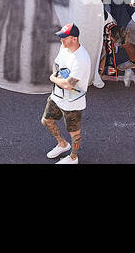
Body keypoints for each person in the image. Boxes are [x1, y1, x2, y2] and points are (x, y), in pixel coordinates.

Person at [42, 23, 90, 164]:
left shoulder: (81, 59)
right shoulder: (64, 47)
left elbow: (69, 85)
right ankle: (62, 144)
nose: (61, 40)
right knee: (46, 121)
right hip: (57, 96)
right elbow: (56, 64)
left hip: (72, 102)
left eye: (64, 37)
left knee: (74, 133)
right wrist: (57, 75)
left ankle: (73, 158)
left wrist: (52, 78)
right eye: (61, 37)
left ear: (74, 39)